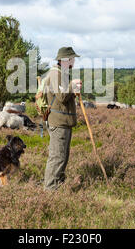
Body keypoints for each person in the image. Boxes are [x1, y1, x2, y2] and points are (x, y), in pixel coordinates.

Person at [44, 47, 82, 190]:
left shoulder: (62, 74)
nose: (74, 61)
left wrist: (73, 89)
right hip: (58, 122)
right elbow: (61, 96)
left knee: (63, 157)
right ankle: (50, 191)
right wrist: (72, 86)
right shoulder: (56, 74)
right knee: (57, 157)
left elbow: (63, 97)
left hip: (63, 122)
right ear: (66, 60)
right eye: (72, 58)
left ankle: (58, 187)